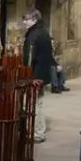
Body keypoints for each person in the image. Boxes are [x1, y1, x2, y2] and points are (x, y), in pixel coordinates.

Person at [22, 8, 54, 143]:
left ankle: (38, 132)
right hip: (42, 73)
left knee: (35, 104)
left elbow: (29, 58)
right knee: (38, 102)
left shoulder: (33, 35)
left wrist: (27, 74)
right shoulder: (44, 32)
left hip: (35, 74)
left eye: (26, 19)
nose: (24, 22)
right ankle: (37, 130)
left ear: (34, 20)